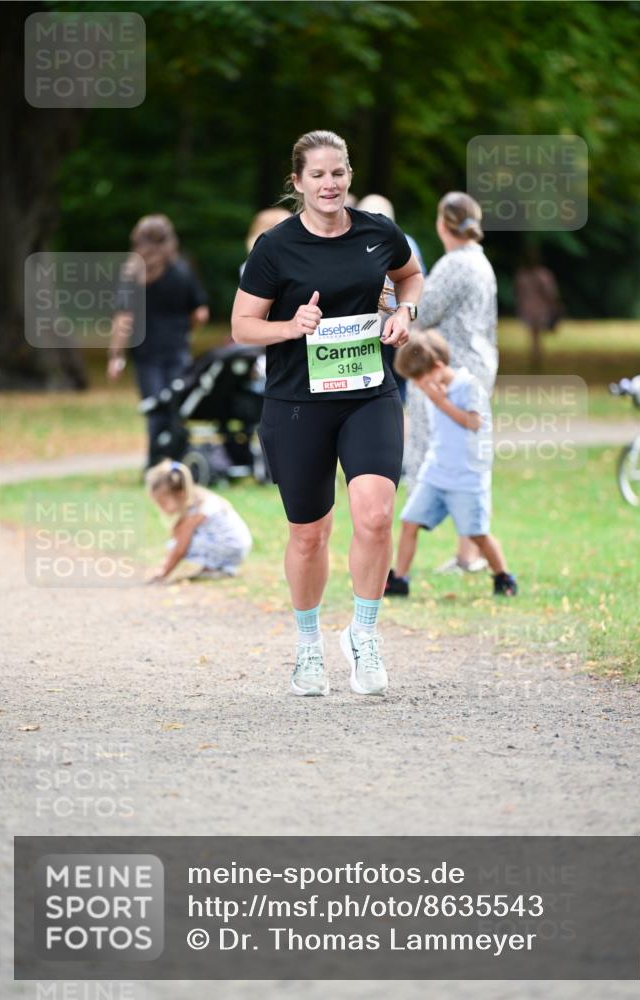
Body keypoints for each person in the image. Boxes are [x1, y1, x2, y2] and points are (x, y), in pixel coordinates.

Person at [231, 129, 423, 697]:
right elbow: (241, 327)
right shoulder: (274, 247)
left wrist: (405, 310)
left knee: (375, 515)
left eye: (337, 172)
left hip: (368, 393)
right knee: (310, 534)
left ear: (349, 176)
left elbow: (408, 275)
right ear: (298, 183)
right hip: (296, 405)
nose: (329, 183)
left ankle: (364, 635)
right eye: (316, 175)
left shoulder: (377, 232)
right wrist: (293, 326)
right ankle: (308, 648)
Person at [405, 191, 498, 576]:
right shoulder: (480, 262)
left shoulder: (453, 265)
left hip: (449, 371)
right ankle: (468, 552)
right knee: (465, 455)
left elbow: (421, 313)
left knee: (445, 455)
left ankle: (466, 550)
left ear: (443, 223)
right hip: (479, 364)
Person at [386, 330, 517, 598]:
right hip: (436, 472)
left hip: (467, 477)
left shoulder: (468, 386)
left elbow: (474, 422)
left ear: (438, 367)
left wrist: (441, 402)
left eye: (420, 379)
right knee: (409, 522)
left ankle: (503, 576)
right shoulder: (434, 390)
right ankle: (399, 579)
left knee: (477, 533)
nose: (419, 386)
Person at [107, 215, 210, 468]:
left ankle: (154, 463)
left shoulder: (132, 273)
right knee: (176, 406)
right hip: (177, 349)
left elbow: (123, 319)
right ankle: (177, 461)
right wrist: (188, 331)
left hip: (146, 352)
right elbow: (200, 313)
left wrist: (116, 355)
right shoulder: (182, 270)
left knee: (153, 407)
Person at [356, 194, 426, 403]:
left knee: (396, 380)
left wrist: (409, 316)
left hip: (395, 322)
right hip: (373, 324)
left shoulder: (404, 244)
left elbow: (417, 280)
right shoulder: (407, 241)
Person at [145, 459, 252, 582]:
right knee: (179, 539)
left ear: (180, 493)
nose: (160, 508)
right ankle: (217, 568)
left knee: (176, 543)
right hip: (238, 546)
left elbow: (180, 549)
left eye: (162, 503)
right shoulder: (199, 498)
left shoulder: (196, 510)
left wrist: (164, 573)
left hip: (231, 546)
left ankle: (215, 568)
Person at [514, 254, 563, 369]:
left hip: (527, 307)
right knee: (536, 335)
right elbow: (550, 293)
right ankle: (537, 357)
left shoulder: (521, 275)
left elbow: (518, 293)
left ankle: (536, 357)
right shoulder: (543, 275)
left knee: (534, 335)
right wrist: (555, 306)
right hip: (539, 308)